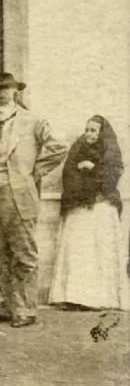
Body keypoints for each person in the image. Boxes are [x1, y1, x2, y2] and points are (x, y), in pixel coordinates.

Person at [0, 73, 67, 328]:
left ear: (15, 93)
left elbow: (59, 147)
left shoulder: (32, 121)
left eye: (5, 91)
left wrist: (35, 171)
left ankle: (26, 309)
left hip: (18, 196)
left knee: (24, 253)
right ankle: (4, 305)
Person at [49, 116, 129, 310]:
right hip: (80, 208)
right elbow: (68, 174)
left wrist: (93, 170)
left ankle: (97, 299)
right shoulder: (77, 149)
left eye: (94, 130)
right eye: (87, 130)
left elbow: (112, 177)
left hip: (101, 208)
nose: (89, 134)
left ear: (102, 133)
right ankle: (74, 297)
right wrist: (79, 171)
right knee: (78, 253)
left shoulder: (110, 154)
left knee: (98, 252)